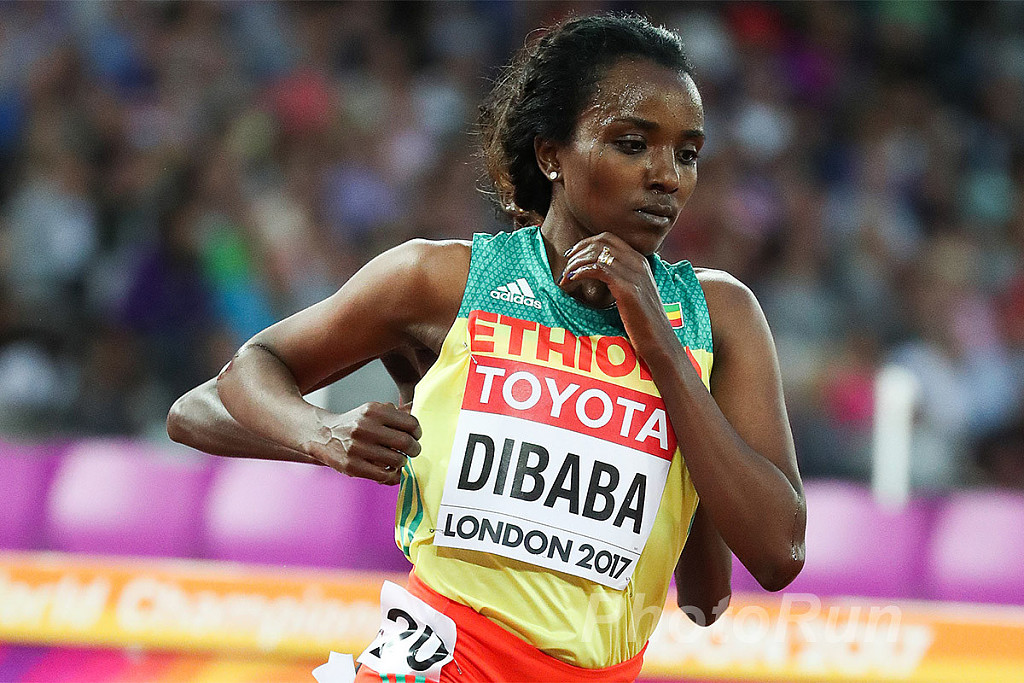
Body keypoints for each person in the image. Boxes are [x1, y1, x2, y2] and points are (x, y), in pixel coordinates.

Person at [168, 13, 805, 682]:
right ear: (551, 154)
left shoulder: (718, 317)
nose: (667, 176)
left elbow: (760, 565)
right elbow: (221, 391)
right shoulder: (441, 280)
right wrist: (322, 434)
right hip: (441, 661)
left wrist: (663, 348)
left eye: (688, 153)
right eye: (631, 144)